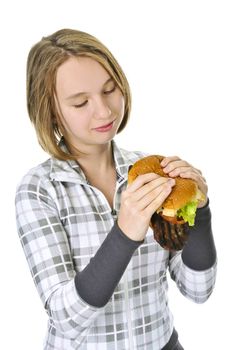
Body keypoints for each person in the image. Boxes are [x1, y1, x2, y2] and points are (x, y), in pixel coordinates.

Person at [15, 28, 217, 350]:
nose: (105, 110)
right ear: (51, 111)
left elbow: (199, 289)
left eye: (110, 90)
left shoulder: (154, 173)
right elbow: (65, 319)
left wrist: (199, 210)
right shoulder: (39, 190)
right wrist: (124, 234)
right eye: (81, 103)